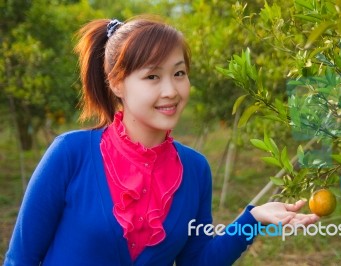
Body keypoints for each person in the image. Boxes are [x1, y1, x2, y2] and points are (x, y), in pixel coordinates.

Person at [4, 15, 319, 265]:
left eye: (179, 73)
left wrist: (253, 220)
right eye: (152, 76)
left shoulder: (195, 170)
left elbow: (196, 261)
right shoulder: (71, 154)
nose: (171, 90)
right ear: (116, 83)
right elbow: (21, 259)